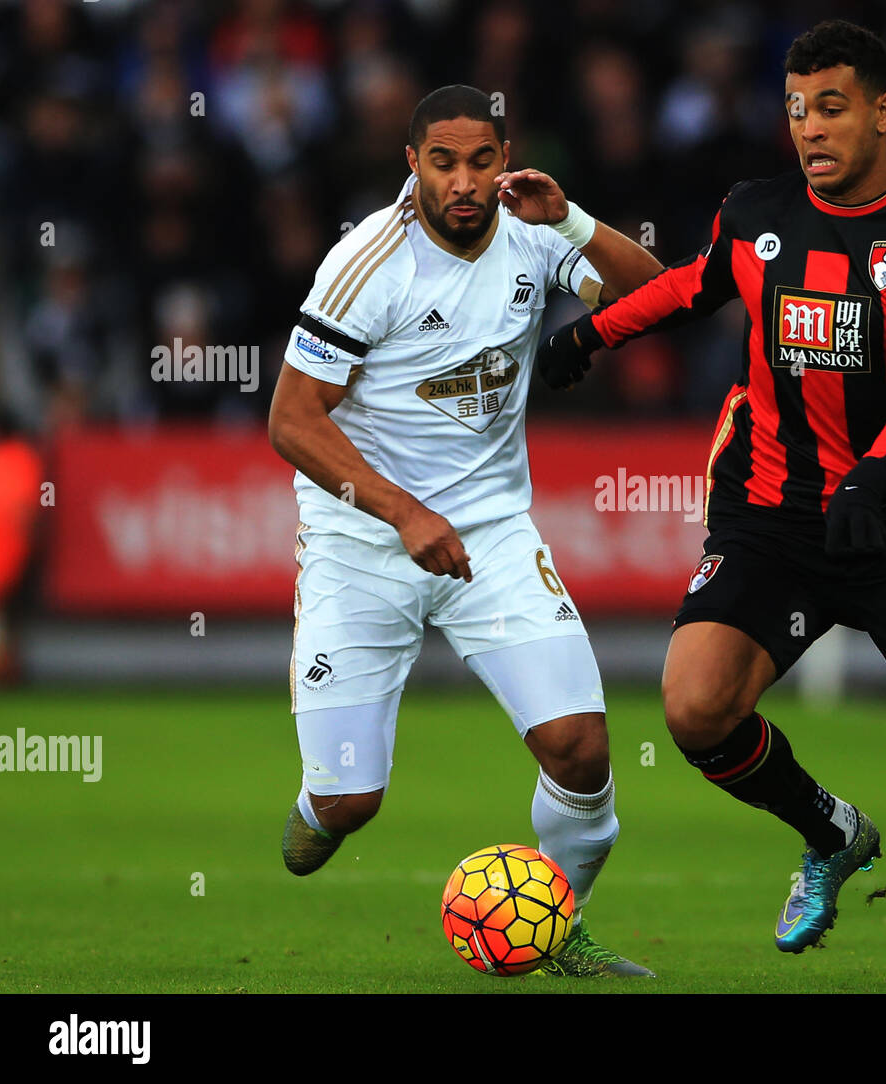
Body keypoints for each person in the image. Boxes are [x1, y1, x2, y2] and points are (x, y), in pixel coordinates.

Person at [536, 22, 886, 987]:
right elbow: (696, 285)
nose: (810, 130)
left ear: (882, 111)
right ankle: (831, 834)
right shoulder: (758, 212)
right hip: (771, 517)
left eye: (830, 107)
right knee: (696, 709)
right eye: (795, 110)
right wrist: (590, 336)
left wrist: (870, 474)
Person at [267, 84, 662, 977]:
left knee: (581, 748)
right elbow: (293, 420)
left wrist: (574, 221)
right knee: (350, 800)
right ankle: (321, 800)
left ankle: (556, 928)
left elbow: (660, 297)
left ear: (504, 157)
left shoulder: (532, 231)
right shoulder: (368, 262)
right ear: (412, 165)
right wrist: (404, 513)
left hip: (488, 530)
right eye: (442, 162)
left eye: (480, 160)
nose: (464, 181)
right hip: (359, 539)